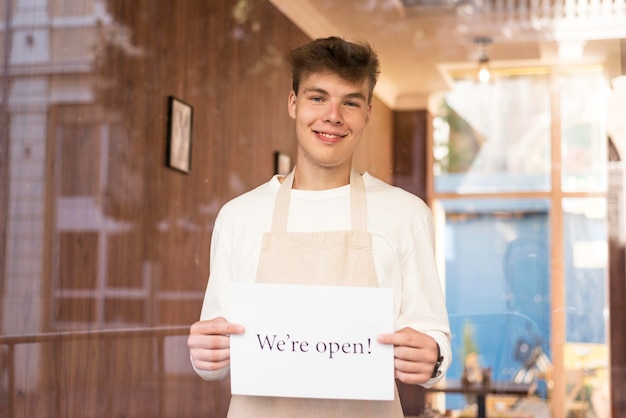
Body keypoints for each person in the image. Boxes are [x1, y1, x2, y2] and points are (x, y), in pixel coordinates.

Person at [188, 36, 451, 417]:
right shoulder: (238, 216)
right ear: (293, 103)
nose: (333, 116)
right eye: (317, 98)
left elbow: (433, 338)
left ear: (367, 113)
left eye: (350, 102)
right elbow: (216, 349)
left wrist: (433, 357)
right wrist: (204, 355)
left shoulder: (406, 214)